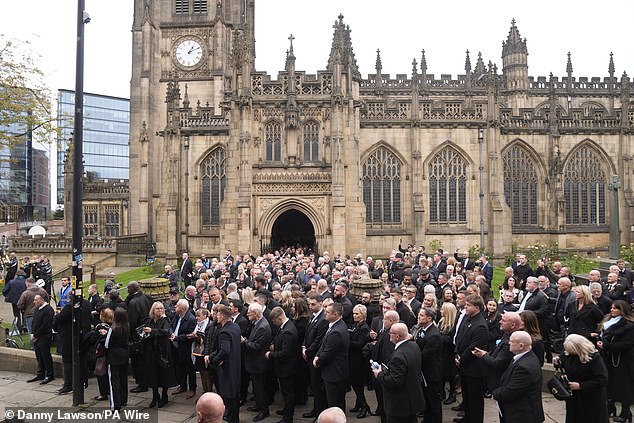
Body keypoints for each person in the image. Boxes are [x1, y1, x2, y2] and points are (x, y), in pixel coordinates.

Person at [372, 322, 425, 423]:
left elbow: (395, 381)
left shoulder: (398, 356)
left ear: (397, 336)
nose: (389, 335)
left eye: (391, 333)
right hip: (411, 401)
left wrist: (379, 374)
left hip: (400, 405)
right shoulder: (414, 346)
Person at [554, 334, 609, 423]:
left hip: (591, 397)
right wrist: (557, 363)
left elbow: (602, 379)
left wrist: (580, 386)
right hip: (574, 398)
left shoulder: (594, 358)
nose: (568, 353)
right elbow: (564, 362)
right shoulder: (567, 354)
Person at [491, 331, 544, 423]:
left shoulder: (524, 367)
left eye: (511, 341)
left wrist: (495, 394)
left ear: (521, 346)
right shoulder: (523, 358)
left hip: (521, 415)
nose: (508, 343)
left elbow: (511, 391)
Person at [596, 300, 634, 422]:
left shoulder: (629, 326)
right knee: (609, 383)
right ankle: (610, 407)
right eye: (611, 308)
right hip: (609, 357)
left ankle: (626, 412)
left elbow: (626, 345)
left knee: (624, 387)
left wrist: (606, 345)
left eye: (615, 308)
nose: (612, 310)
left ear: (622, 310)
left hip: (622, 360)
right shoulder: (608, 321)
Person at [453, 294, 489, 423]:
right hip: (464, 365)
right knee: (467, 396)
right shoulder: (468, 319)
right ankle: (467, 417)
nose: (466, 307)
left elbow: (474, 348)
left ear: (477, 307)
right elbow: (459, 338)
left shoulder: (480, 325)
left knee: (475, 399)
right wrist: (457, 353)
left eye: (469, 305)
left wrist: (461, 359)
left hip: (473, 368)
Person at [207, 304, 242, 423]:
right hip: (236, 365)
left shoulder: (224, 332)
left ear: (222, 316)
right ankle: (234, 417)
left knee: (229, 394)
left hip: (227, 368)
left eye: (217, 314)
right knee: (234, 394)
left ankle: (232, 419)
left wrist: (214, 361)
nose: (216, 316)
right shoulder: (235, 326)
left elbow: (224, 350)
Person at [313, 302, 350, 412]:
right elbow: (324, 345)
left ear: (335, 314)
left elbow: (328, 352)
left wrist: (318, 361)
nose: (325, 314)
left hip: (334, 373)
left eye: (328, 312)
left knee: (335, 403)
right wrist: (317, 355)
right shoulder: (335, 326)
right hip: (333, 371)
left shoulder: (337, 332)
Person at [266, 306, 299, 423]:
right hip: (284, 367)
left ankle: (288, 418)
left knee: (288, 392)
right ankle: (286, 409)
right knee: (286, 392)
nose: (274, 324)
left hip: (287, 368)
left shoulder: (288, 331)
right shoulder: (285, 326)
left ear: (279, 318)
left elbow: (286, 353)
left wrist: (271, 354)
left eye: (274, 321)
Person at [142, 301, 177, 408]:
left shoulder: (165, 320)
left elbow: (166, 331)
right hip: (151, 351)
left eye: (161, 308)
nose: (160, 310)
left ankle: (164, 396)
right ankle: (155, 396)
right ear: (153, 310)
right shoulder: (149, 320)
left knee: (164, 374)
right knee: (152, 373)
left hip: (163, 351)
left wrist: (152, 331)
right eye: (158, 308)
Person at [243, 302, 272, 422]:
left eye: (249, 312)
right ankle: (258, 406)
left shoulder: (262, 327)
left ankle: (264, 411)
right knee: (256, 388)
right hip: (254, 363)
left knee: (260, 389)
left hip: (258, 364)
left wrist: (244, 342)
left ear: (255, 313)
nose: (247, 314)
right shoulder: (257, 323)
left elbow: (256, 346)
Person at [413, 307, 443, 423]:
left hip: (432, 373)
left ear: (429, 318)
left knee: (433, 400)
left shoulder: (434, 335)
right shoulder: (423, 329)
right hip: (425, 372)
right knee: (427, 399)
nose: (418, 317)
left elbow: (424, 355)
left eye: (421, 315)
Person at [302, 293, 329, 419]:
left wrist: (307, 352)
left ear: (320, 303)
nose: (310, 307)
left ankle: (319, 412)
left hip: (315, 357)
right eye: (309, 304)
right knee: (314, 385)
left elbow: (319, 340)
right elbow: (307, 334)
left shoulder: (323, 319)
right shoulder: (312, 317)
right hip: (309, 354)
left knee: (317, 387)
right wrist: (303, 346)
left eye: (313, 304)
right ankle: (315, 409)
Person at [171, 298, 198, 399]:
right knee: (179, 367)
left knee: (190, 369)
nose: (175, 307)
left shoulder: (191, 319)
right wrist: (172, 333)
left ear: (182, 308)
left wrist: (177, 338)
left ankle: (192, 388)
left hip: (186, 348)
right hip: (176, 347)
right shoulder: (177, 316)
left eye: (177, 306)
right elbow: (172, 325)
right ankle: (182, 385)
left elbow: (190, 335)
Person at [348, 304, 371, 418]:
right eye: (353, 313)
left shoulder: (364, 328)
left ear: (363, 315)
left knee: (358, 384)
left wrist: (347, 340)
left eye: (357, 313)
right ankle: (358, 404)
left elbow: (359, 344)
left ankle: (364, 406)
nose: (354, 315)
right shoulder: (355, 325)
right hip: (353, 359)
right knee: (355, 383)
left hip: (359, 360)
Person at [105, 307, 130, 411]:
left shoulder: (113, 329)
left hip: (114, 357)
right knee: (123, 378)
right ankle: (123, 399)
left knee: (113, 381)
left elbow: (107, 344)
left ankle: (115, 405)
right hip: (124, 355)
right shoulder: (127, 326)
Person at [28, 294, 54, 384]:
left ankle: (49, 375)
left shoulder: (48, 310)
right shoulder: (37, 309)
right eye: (34, 300)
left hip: (44, 337)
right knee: (39, 356)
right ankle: (41, 373)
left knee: (45, 356)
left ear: (42, 300)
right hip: (36, 337)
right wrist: (32, 333)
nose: (34, 302)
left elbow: (45, 325)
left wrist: (36, 335)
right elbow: (34, 321)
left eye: (36, 300)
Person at [438, 302, 458, 404]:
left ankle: (452, 394)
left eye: (442, 310)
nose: (440, 311)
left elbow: (452, 340)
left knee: (450, 375)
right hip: (442, 352)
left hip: (449, 353)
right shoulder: (441, 321)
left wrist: (440, 337)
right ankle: (442, 393)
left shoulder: (453, 325)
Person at [3, 268, 27, 333]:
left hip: (14, 300)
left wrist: (8, 296)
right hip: (24, 300)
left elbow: (4, 290)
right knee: (24, 313)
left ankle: (19, 328)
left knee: (17, 314)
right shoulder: (26, 282)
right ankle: (24, 326)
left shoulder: (11, 282)